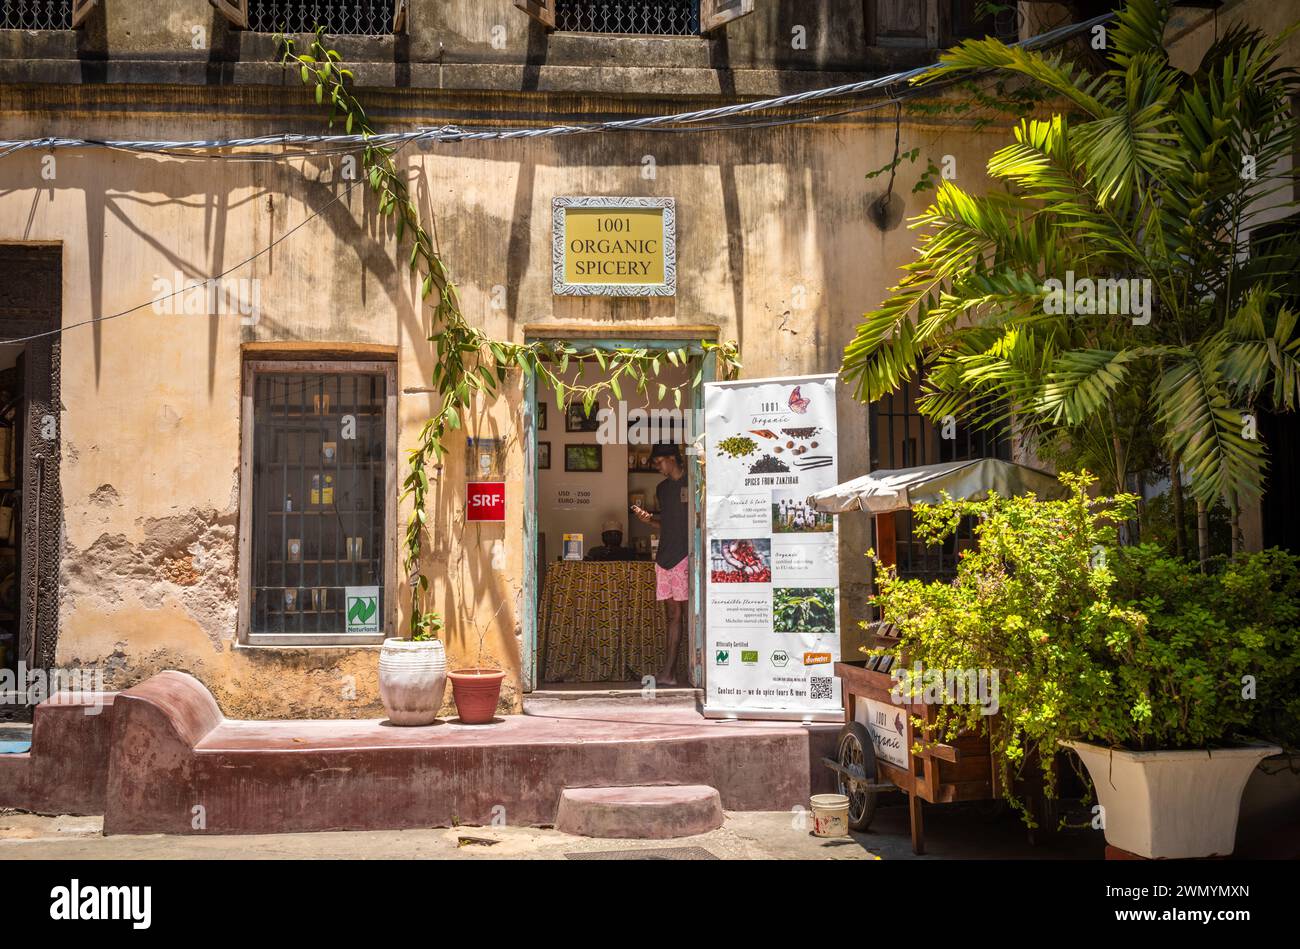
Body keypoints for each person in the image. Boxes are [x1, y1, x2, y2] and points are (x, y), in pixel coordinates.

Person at [631, 443, 688, 686]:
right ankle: (669, 672)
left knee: (678, 615)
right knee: (672, 615)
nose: (656, 467)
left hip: (684, 556)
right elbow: (666, 524)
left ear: (672, 458)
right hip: (664, 559)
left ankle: (670, 673)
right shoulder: (662, 489)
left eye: (658, 462)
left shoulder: (693, 483)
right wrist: (648, 520)